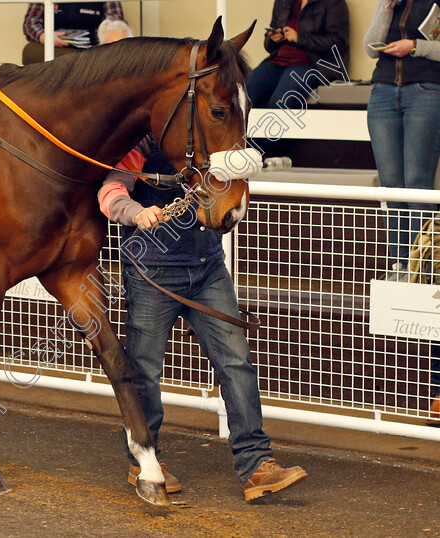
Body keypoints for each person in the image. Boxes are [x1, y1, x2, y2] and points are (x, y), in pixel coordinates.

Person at [97, 137, 308, 501]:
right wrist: (134, 212)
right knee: (145, 370)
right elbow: (111, 190)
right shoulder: (144, 144)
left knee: (236, 362)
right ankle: (144, 460)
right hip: (152, 275)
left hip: (208, 268)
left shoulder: (214, 140)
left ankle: (256, 464)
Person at [365, 0, 440, 425]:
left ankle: (417, 272)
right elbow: (372, 44)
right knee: (392, 191)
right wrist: (385, 8)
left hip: (426, 92)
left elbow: (437, 50)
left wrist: (417, 47)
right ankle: (401, 267)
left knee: (417, 188)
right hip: (381, 95)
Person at [246, 0, 350, 109]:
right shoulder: (282, 2)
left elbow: (338, 42)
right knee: (245, 96)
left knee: (280, 102)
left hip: (312, 64)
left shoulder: (334, 3)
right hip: (278, 61)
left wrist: (299, 38)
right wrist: (273, 38)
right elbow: (268, 45)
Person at [21, 2, 124, 65]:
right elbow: (30, 22)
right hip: (54, 46)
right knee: (29, 51)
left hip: (93, 46)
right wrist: (44, 36)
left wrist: (103, 38)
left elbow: (115, 19)